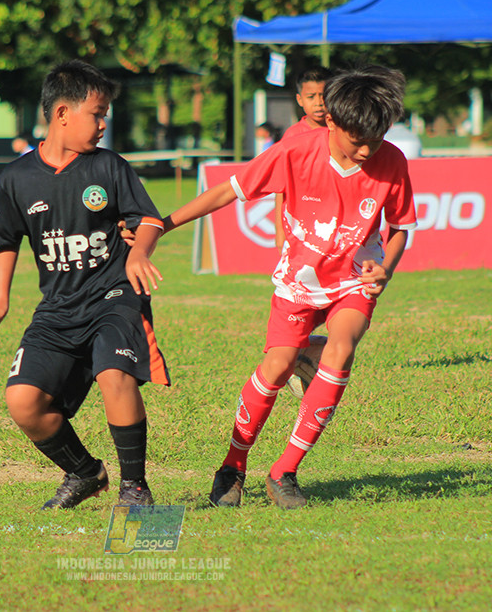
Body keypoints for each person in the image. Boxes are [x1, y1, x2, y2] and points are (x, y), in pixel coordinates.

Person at [158, 65, 417, 510]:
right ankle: (233, 465)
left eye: (375, 140)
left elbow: (400, 229)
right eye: (358, 140)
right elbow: (227, 192)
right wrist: (164, 224)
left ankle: (285, 471)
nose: (366, 150)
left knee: (341, 349)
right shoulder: (293, 151)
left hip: (353, 280)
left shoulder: (391, 160)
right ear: (332, 122)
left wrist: (386, 269)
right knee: (276, 367)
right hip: (299, 281)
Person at [0, 60, 170, 510]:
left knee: (114, 375)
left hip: (114, 295)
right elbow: (5, 240)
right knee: (24, 402)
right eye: (98, 113)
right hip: (58, 305)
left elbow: (146, 219)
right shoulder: (16, 178)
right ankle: (85, 472)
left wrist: (140, 250)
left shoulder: (108, 167)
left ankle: (135, 489)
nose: (104, 124)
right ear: (63, 113)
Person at [275, 67, 333, 251]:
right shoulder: (292, 137)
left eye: (323, 96)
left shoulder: (342, 132)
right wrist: (279, 231)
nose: (319, 103)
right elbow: (280, 187)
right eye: (311, 97)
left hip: (336, 221)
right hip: (302, 226)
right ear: (300, 100)